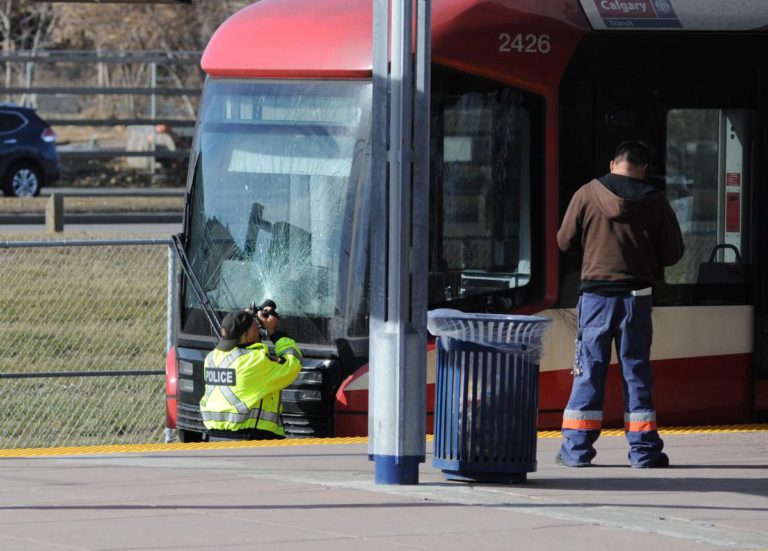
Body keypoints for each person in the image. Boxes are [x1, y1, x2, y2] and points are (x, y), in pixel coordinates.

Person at [556, 140, 684, 468]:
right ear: (643, 169)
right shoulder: (656, 201)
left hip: (595, 298)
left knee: (588, 370)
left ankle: (576, 451)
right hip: (636, 299)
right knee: (636, 371)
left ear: (613, 164)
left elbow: (564, 240)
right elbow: (673, 254)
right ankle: (644, 452)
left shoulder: (587, 193)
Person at [200, 300, 302, 440]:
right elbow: (293, 362)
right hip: (250, 438)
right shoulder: (255, 361)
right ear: (248, 335)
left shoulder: (211, 358)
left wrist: (244, 319)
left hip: (213, 437)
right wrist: (273, 332)